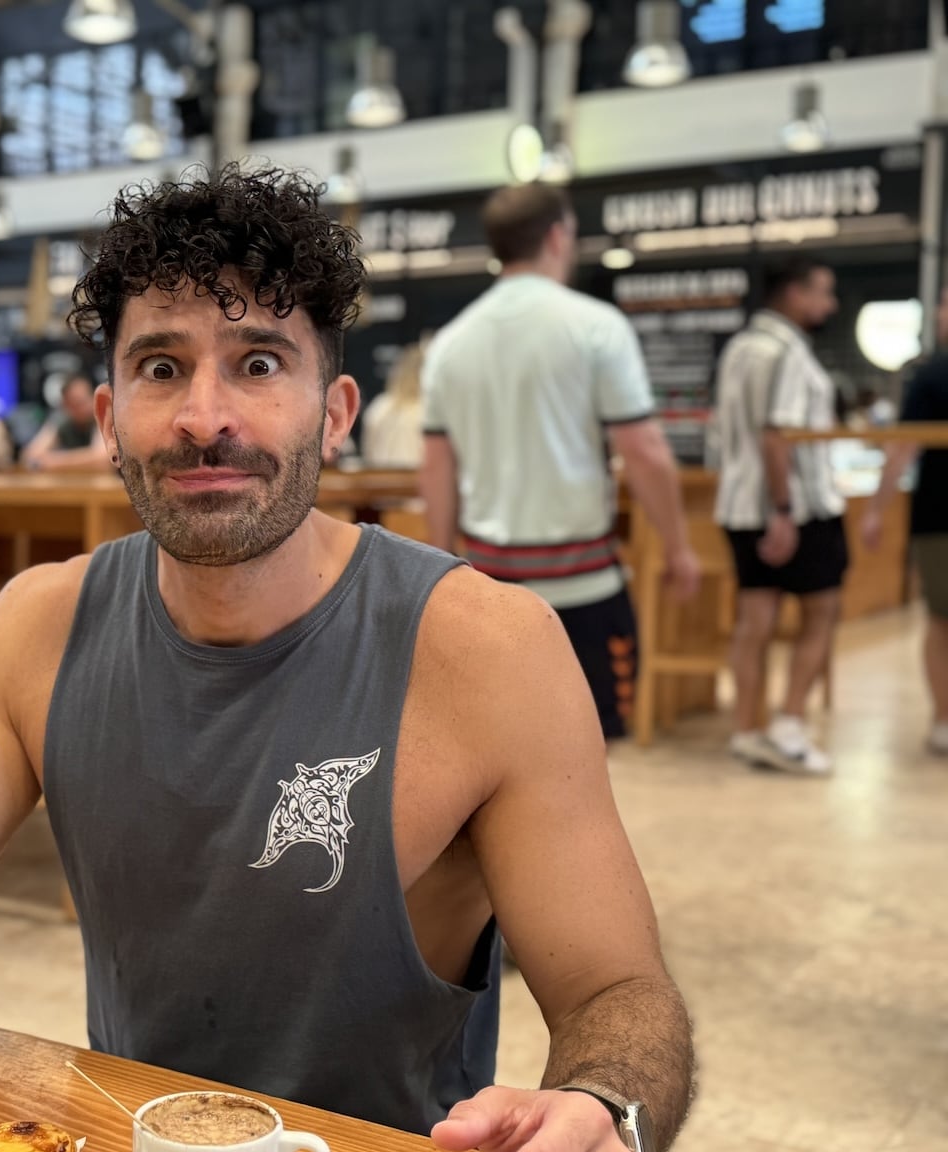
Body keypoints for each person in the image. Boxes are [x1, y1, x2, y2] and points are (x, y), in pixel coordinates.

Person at [0, 167, 693, 1152]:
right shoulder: (35, 629)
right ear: (109, 414)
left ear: (334, 414)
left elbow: (620, 992)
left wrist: (600, 1109)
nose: (203, 416)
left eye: (259, 362)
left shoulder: (491, 650)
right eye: (159, 366)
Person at [420, 183, 699, 741]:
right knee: (590, 759)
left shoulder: (451, 344)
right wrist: (677, 546)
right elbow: (643, 452)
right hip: (585, 589)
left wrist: (443, 568)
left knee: (494, 761)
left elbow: (437, 468)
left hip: (490, 587)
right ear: (557, 235)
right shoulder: (596, 326)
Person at [714, 256, 847, 774]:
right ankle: (789, 727)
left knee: (755, 620)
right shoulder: (789, 352)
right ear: (794, 293)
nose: (829, 305)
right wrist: (786, 511)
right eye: (822, 292)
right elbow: (778, 435)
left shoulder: (740, 348)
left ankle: (747, 730)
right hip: (796, 506)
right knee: (821, 613)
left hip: (740, 504)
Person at [862, 287, 948, 755]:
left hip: (936, 520)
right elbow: (901, 447)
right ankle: (943, 717)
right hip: (939, 519)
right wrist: (876, 509)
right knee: (940, 618)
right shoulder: (930, 375)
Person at [20, 373, 110, 471]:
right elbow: (30, 455)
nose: (77, 409)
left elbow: (103, 459)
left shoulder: (103, 417)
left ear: (95, 398)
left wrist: (57, 461)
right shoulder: (62, 420)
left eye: (80, 402)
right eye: (71, 404)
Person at [359, 340, 427, 468]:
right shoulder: (427, 412)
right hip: (414, 482)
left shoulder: (379, 406)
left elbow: (368, 454)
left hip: (379, 482)